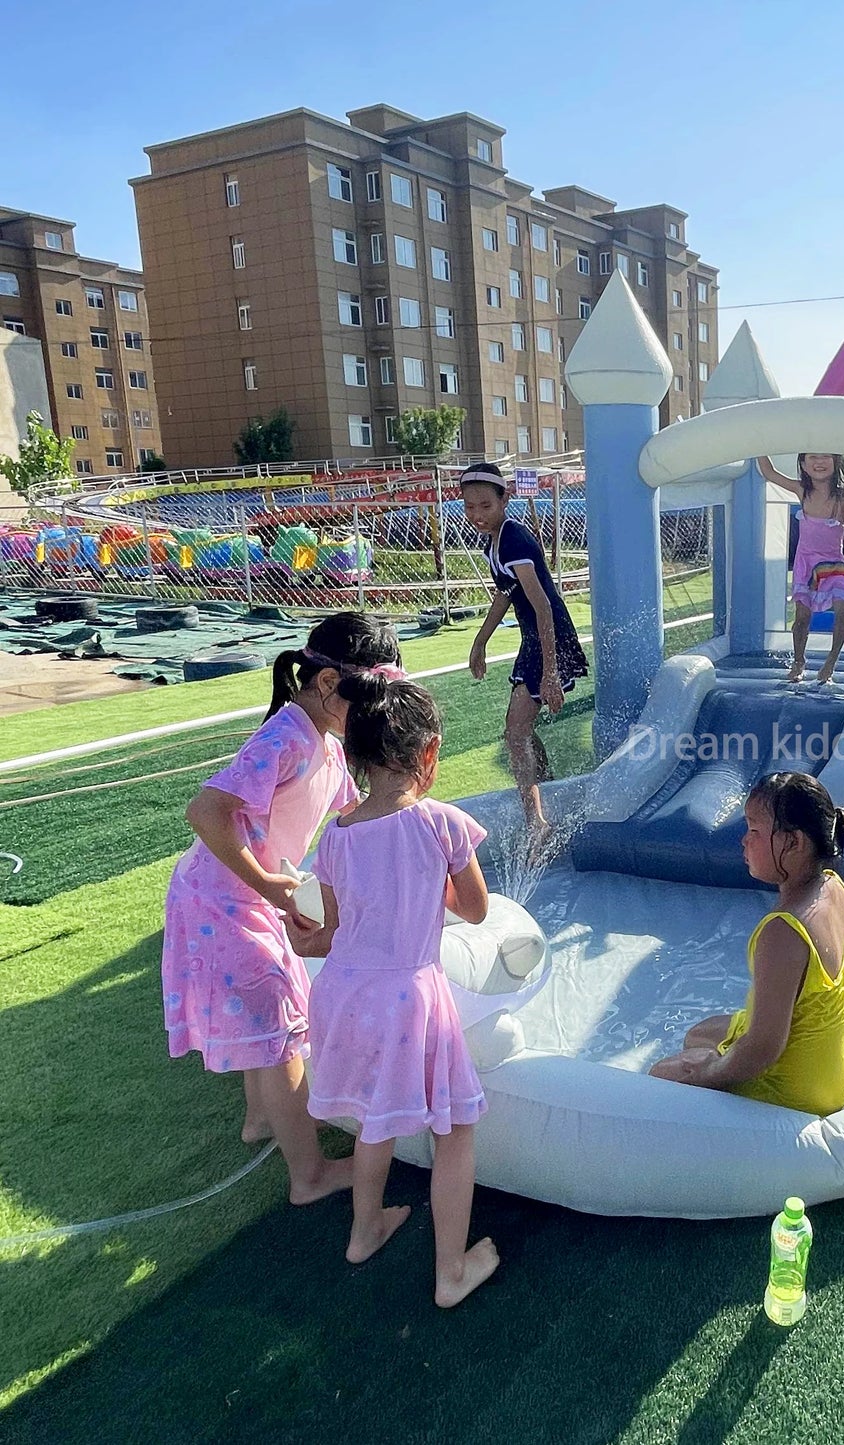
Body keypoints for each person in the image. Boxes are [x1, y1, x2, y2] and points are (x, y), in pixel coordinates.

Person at [161, 612, 402, 1204]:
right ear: (325, 685)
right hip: (223, 902)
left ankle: (264, 1119)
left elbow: (353, 816)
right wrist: (272, 886)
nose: (372, 719)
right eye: (367, 702)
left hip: (248, 897)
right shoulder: (285, 738)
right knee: (282, 1028)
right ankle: (310, 1176)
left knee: (260, 1021)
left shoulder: (325, 742)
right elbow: (206, 812)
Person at [290, 678, 500, 1308]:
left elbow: (331, 934)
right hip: (410, 999)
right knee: (454, 1132)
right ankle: (451, 1270)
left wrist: (305, 942)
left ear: (354, 760)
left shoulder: (337, 835)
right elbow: (478, 909)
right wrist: (432, 885)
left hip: (345, 996)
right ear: (428, 754)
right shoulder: (441, 825)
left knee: (373, 1121)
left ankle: (364, 1229)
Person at [650, 772, 844, 1116]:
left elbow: (764, 1048)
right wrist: (833, 1042)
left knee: (660, 1073)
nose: (743, 841)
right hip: (840, 1067)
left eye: (754, 831)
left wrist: (708, 1074)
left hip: (800, 1090)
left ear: (794, 842)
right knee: (698, 1034)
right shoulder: (834, 887)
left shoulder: (783, 931)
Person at [461, 461, 587, 847]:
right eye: (470, 507)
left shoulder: (514, 539)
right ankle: (545, 800)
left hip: (549, 637)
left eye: (485, 505)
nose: (477, 515)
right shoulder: (495, 543)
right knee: (518, 731)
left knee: (516, 733)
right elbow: (505, 594)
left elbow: (544, 606)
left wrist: (550, 673)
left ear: (505, 499)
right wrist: (480, 640)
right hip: (534, 639)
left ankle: (538, 823)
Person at [757, 453, 844, 685]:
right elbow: (770, 473)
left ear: (836, 462)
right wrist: (760, 445)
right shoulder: (802, 490)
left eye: (825, 458)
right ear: (803, 465)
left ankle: (831, 660)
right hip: (807, 563)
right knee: (802, 617)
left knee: (843, 609)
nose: (819, 463)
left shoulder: (843, 496)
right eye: (812, 458)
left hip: (833, 562)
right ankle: (799, 661)